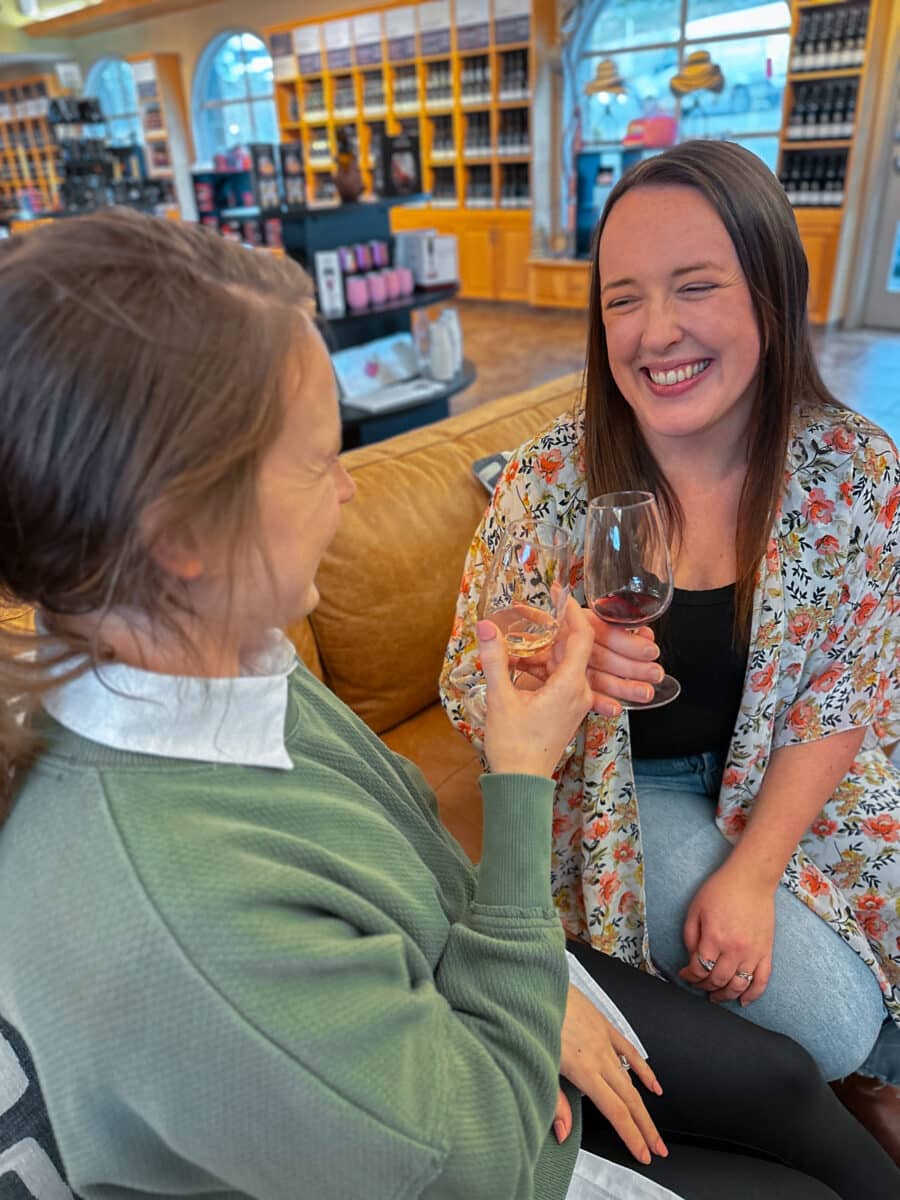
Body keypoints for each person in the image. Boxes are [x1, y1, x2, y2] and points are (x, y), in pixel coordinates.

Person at [0, 210, 896, 1200]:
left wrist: (528, 978)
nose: (347, 490)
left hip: (486, 989)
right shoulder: (184, 911)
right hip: (490, 1126)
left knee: (780, 1076)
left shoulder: (231, 659)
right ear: (180, 534)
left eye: (697, 286)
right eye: (315, 458)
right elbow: (478, 1161)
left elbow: (414, 865)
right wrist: (519, 780)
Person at [442, 139, 900, 1159]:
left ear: (772, 299)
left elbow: (846, 693)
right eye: (622, 300)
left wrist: (754, 872)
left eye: (696, 287)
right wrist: (558, 681)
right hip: (623, 802)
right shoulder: (548, 482)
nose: (656, 334)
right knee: (830, 1019)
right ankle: (865, 1084)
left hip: (787, 778)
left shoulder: (855, 473)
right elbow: (470, 685)